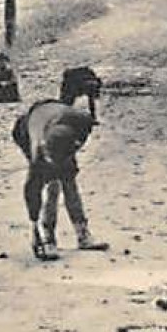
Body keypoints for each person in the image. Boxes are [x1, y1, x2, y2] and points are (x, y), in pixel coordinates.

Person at [12, 98, 108, 261]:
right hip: (27, 128)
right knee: (52, 185)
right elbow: (31, 190)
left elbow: (85, 131)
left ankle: (82, 233)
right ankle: (47, 236)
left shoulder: (81, 122)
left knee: (69, 180)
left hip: (59, 120)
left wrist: (70, 155)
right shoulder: (38, 149)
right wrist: (34, 228)